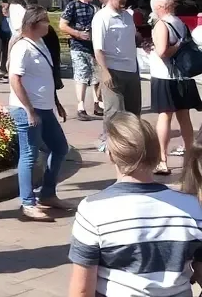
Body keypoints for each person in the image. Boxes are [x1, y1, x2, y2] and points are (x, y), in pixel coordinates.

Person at [70, 113, 202, 297]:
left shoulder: (92, 210)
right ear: (156, 153)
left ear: (111, 154)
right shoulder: (191, 206)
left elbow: (82, 290)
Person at [7, 4, 69, 221]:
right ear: (34, 24)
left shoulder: (39, 43)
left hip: (45, 107)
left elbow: (46, 78)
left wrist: (56, 102)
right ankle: (27, 202)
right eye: (44, 21)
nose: (48, 25)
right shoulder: (22, 47)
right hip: (28, 110)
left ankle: (48, 193)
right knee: (29, 154)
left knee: (60, 148)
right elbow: (15, 79)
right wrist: (29, 110)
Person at [148, 0, 200, 175]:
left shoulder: (162, 25)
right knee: (184, 117)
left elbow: (163, 52)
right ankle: (191, 157)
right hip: (183, 77)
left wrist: (170, 47)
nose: (153, 9)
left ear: (161, 7)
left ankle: (162, 160)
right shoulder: (180, 23)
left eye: (154, 6)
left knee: (165, 117)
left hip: (165, 76)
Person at [92, 0, 141, 132]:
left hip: (131, 69)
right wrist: (105, 73)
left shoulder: (127, 16)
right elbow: (98, 49)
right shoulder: (102, 17)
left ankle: (131, 143)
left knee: (133, 113)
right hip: (113, 69)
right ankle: (110, 143)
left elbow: (132, 38)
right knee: (115, 112)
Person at [59, 0, 103, 122]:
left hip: (94, 46)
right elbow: (62, 25)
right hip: (78, 46)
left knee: (97, 75)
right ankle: (81, 107)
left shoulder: (95, 8)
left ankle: (98, 103)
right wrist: (78, 34)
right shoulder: (73, 6)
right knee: (81, 74)